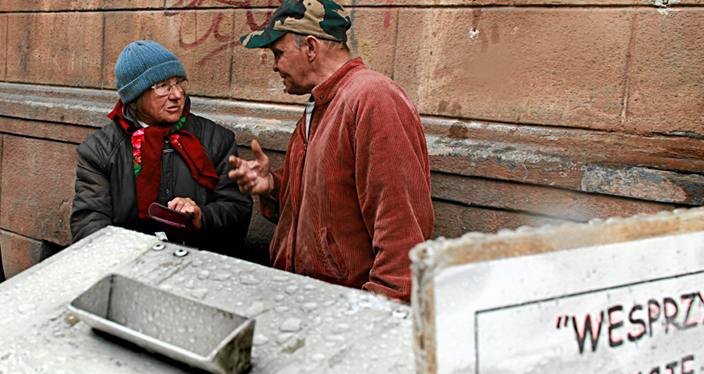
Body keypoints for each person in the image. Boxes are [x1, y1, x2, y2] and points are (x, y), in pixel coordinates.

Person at [230, 0, 434, 302]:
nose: (275, 65)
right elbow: (328, 201)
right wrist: (272, 186)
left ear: (311, 47)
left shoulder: (373, 98)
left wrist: (378, 315)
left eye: (278, 52)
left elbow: (401, 231)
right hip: (309, 301)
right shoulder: (320, 104)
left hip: (346, 312)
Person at [71, 40, 252, 255]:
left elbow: (237, 209)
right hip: (128, 265)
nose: (177, 94)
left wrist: (202, 217)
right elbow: (88, 222)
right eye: (163, 86)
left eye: (179, 82)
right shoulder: (99, 150)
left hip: (199, 267)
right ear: (135, 96)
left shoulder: (216, 140)